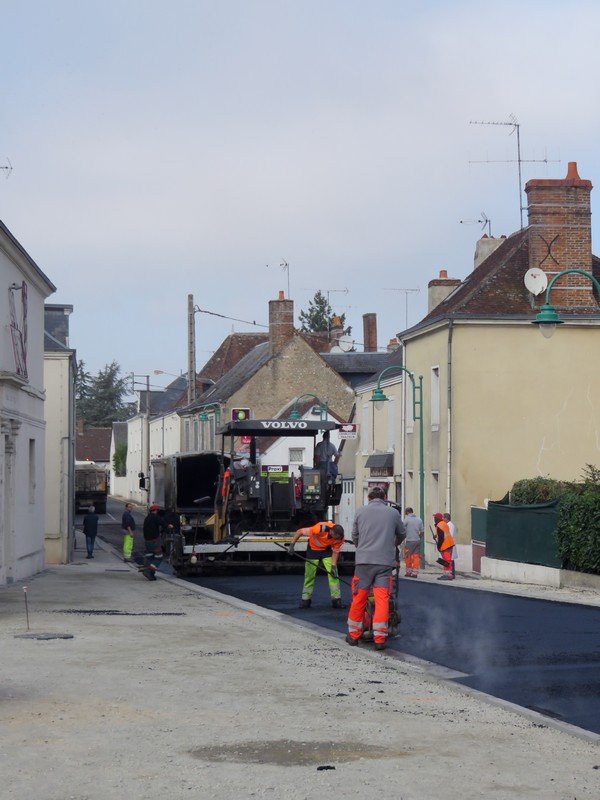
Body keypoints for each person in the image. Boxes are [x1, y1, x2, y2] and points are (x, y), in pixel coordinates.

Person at [346, 487, 406, 650]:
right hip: (384, 564)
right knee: (382, 600)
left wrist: (362, 548)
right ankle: (380, 639)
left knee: (359, 598)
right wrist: (391, 545)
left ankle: (353, 636)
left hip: (363, 563)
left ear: (369, 497)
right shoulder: (393, 513)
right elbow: (402, 534)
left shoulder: (360, 512)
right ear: (385, 497)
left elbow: (355, 536)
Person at [288, 521, 345, 608]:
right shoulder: (319, 529)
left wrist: (333, 566)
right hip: (313, 549)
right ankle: (305, 600)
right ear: (332, 532)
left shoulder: (340, 538)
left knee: (333, 574)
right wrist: (292, 545)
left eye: (339, 538)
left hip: (326, 550)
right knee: (309, 575)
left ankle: (336, 600)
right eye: (336, 538)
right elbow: (300, 531)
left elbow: (336, 552)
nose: (337, 540)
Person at [142, 504, 164, 580]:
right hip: (154, 541)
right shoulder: (155, 517)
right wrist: (169, 526)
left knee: (150, 557)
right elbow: (163, 523)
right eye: (157, 510)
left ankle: (151, 574)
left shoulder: (147, 518)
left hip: (147, 541)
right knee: (159, 557)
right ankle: (149, 571)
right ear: (156, 511)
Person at [403, 507, 424, 578]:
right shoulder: (419, 519)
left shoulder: (407, 519)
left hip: (409, 540)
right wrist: (418, 538)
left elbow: (401, 528)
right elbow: (422, 532)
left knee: (408, 556)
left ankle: (408, 572)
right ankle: (415, 573)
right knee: (416, 557)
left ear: (407, 512)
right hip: (417, 540)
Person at [434, 512, 455, 581]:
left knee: (447, 560)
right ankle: (446, 574)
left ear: (437, 519)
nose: (434, 519)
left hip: (446, 545)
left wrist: (438, 546)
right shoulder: (443, 524)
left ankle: (448, 575)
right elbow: (441, 534)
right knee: (445, 561)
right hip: (448, 544)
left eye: (435, 518)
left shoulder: (440, 525)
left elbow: (441, 537)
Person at [443, 512, 458, 579]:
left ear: (446, 518)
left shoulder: (450, 525)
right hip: (447, 544)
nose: (442, 519)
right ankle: (448, 574)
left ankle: (450, 574)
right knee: (448, 559)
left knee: (449, 560)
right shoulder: (447, 525)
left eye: (443, 518)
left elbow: (449, 535)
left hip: (449, 545)